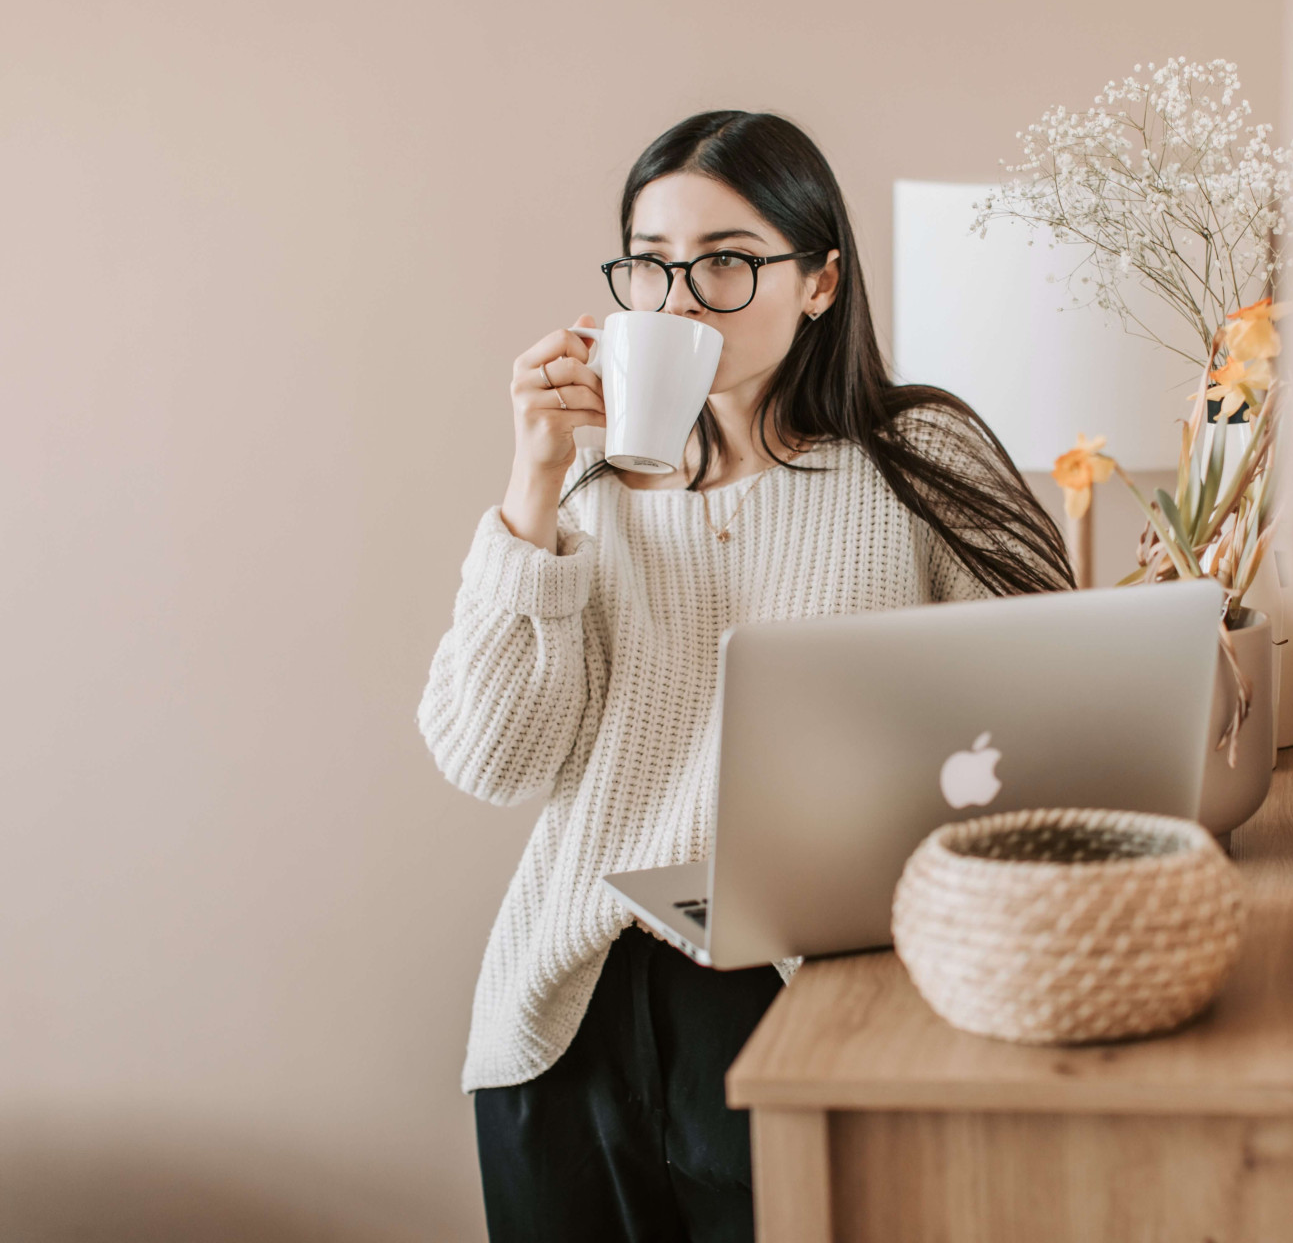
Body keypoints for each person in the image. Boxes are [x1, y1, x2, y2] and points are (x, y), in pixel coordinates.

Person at [415, 110, 1074, 1242]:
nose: (678, 301)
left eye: (725, 261)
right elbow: (491, 757)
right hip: (564, 1019)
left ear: (819, 280)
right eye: (651, 266)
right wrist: (532, 486)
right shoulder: (585, 494)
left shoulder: (919, 459)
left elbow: (1055, 720)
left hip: (803, 999)